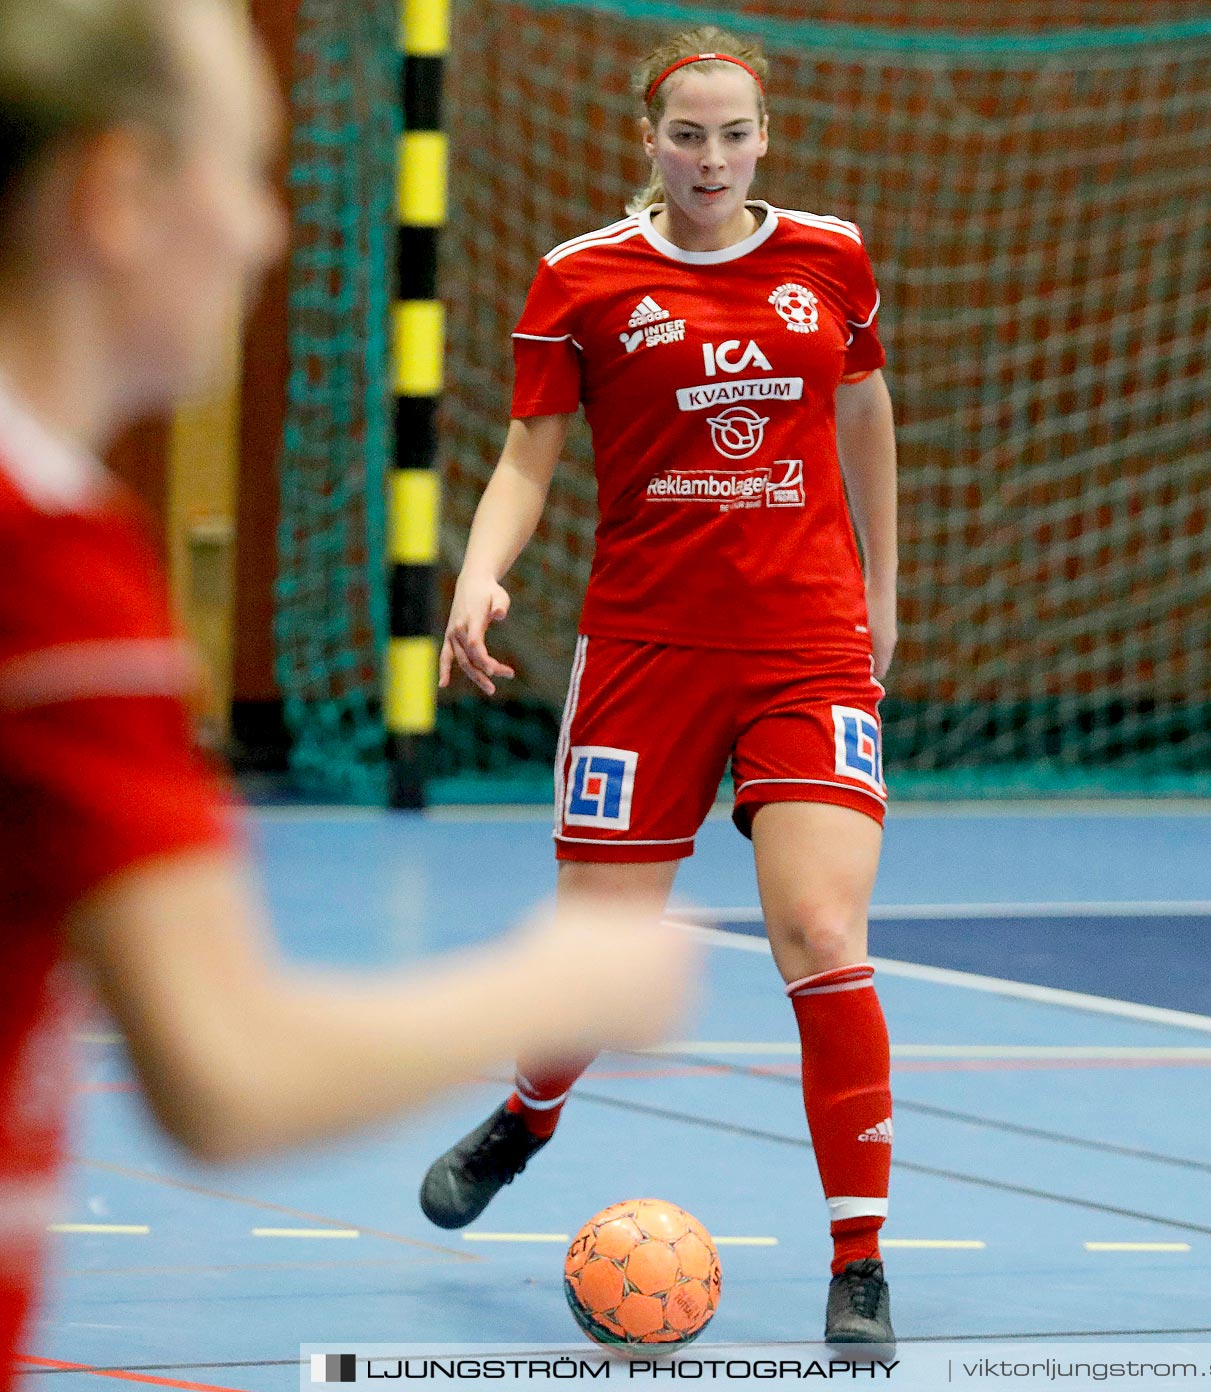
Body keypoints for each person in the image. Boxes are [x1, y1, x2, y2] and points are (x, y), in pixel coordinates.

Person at [0, 1, 694, 1377]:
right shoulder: (53, 579)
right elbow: (226, 1070)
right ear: (118, 194)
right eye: (241, 174)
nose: (266, 234)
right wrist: (554, 980)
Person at [421, 26, 901, 1346]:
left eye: (734, 133)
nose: (710, 157)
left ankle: (858, 1261)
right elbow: (530, 454)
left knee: (821, 933)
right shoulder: (583, 280)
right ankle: (529, 1112)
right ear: (649, 138)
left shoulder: (829, 259)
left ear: (765, 135)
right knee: (596, 956)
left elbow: (866, 415)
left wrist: (886, 592)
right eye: (686, 134)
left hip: (804, 639)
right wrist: (479, 573)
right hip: (643, 651)